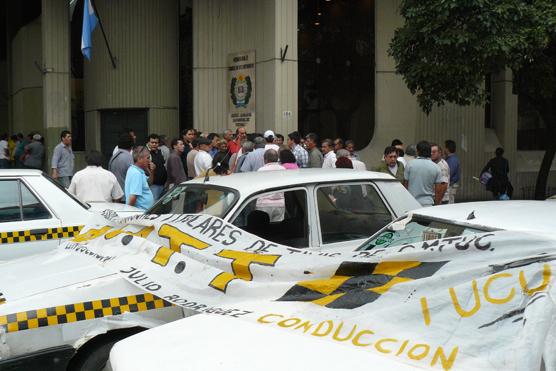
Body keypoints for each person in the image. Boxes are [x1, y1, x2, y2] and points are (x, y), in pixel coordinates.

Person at [404, 141, 444, 207]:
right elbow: (438, 191)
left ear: (417, 151)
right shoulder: (436, 167)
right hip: (427, 204)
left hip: (411, 203)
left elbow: (405, 186)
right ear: (430, 152)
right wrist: (437, 205)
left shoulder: (410, 165)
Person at [125, 146, 154, 211]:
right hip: (140, 215)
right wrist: (128, 212)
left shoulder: (137, 171)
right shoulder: (136, 173)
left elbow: (149, 183)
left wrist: (151, 171)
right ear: (139, 159)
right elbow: (133, 197)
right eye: (148, 158)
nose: (149, 160)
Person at [147, 134, 167, 200]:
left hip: (163, 184)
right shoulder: (147, 154)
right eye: (152, 142)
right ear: (148, 143)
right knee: (154, 205)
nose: (154, 144)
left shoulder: (159, 152)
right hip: (153, 185)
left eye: (156, 143)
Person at [444, 139, 460, 203]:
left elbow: (449, 173)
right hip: (450, 184)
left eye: (444, 147)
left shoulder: (452, 160)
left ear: (447, 149)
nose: (444, 149)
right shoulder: (451, 159)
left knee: (449, 203)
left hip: (451, 185)